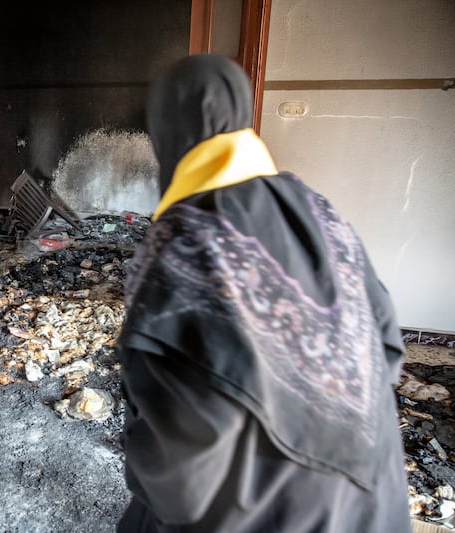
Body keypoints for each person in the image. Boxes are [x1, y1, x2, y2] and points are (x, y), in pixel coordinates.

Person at [117, 54, 410, 532]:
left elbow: (183, 482)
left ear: (164, 132)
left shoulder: (182, 244)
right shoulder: (319, 212)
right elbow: (387, 351)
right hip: (373, 498)